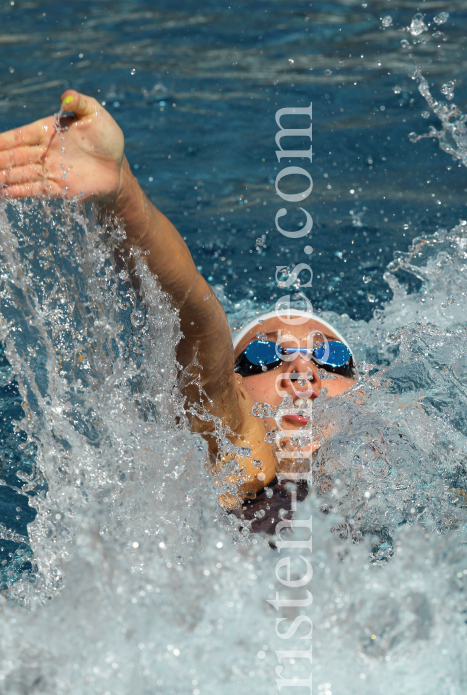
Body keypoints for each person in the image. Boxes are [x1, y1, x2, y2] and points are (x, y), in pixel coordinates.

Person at [0, 90, 358, 525]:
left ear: (367, 390)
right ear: (235, 386)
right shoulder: (247, 462)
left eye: (331, 358)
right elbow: (197, 321)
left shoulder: (417, 472)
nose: (301, 370)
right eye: (266, 355)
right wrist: (124, 194)